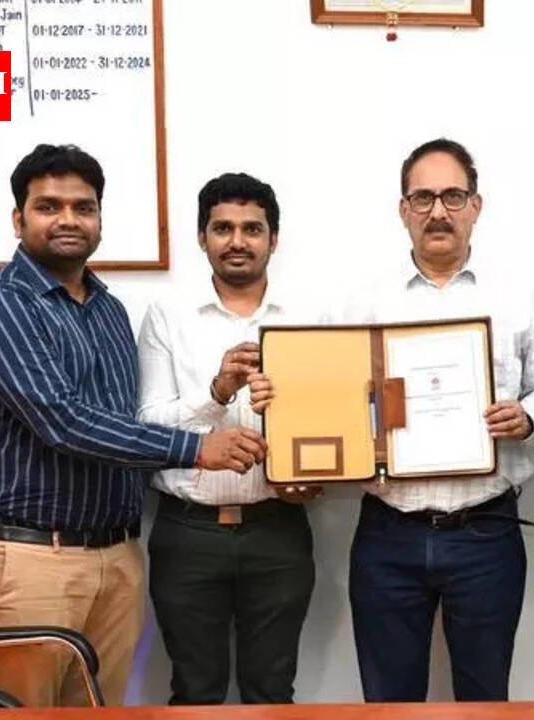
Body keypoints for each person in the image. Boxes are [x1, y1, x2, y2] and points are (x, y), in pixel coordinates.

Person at [0, 144, 266, 707]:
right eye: (49, 206)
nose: (68, 219)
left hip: (116, 557)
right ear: (19, 219)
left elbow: (126, 425)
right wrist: (197, 449)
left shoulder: (108, 310)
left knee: (102, 713)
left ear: (99, 219)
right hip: (29, 561)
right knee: (22, 714)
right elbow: (63, 421)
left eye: (84, 207)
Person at [339, 138, 534, 702]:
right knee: (388, 706)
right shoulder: (362, 306)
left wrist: (528, 417)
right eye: (423, 198)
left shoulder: (518, 298)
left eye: (453, 196)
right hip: (389, 532)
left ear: (476, 206)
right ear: (403, 209)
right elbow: (335, 403)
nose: (438, 211)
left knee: (485, 701)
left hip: (485, 532)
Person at [137, 173, 320, 704]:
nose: (237, 241)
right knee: (195, 693)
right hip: (188, 534)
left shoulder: (308, 317)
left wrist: (316, 474)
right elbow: (147, 426)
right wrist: (217, 392)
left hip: (278, 528)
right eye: (222, 228)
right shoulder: (167, 315)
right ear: (202, 237)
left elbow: (331, 421)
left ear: (273, 239)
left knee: (273, 692)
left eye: (252, 229)